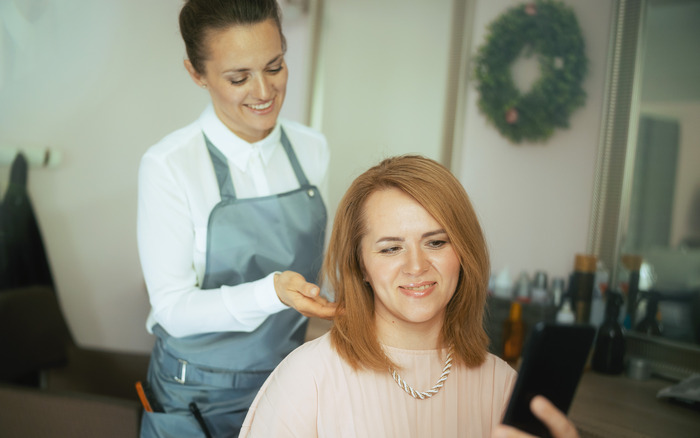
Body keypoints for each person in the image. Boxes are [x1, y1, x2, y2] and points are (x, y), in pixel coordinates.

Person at [239, 155, 580, 438]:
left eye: (436, 242)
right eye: (390, 248)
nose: (416, 266)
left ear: (463, 251)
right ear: (360, 265)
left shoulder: (502, 385)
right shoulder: (307, 378)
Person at [136, 0, 336, 436]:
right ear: (196, 73)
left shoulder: (311, 149)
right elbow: (171, 308)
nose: (264, 92)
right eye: (239, 77)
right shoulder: (169, 166)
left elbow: (317, 266)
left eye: (275, 65)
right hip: (197, 396)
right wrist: (271, 293)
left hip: (287, 382)